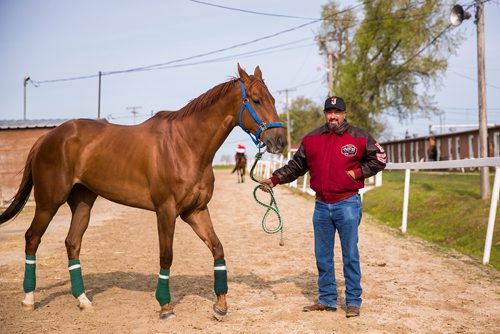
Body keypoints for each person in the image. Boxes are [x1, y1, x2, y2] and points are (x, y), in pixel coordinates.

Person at [260, 96, 386, 318]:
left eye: (337, 112)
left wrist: (357, 173)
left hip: (347, 203)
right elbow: (296, 166)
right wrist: (275, 179)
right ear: (325, 114)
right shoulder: (312, 139)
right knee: (323, 256)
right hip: (321, 206)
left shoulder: (359, 136)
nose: (333, 116)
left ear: (344, 114)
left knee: (350, 255)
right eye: (329, 112)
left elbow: (380, 158)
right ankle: (327, 300)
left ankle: (353, 302)